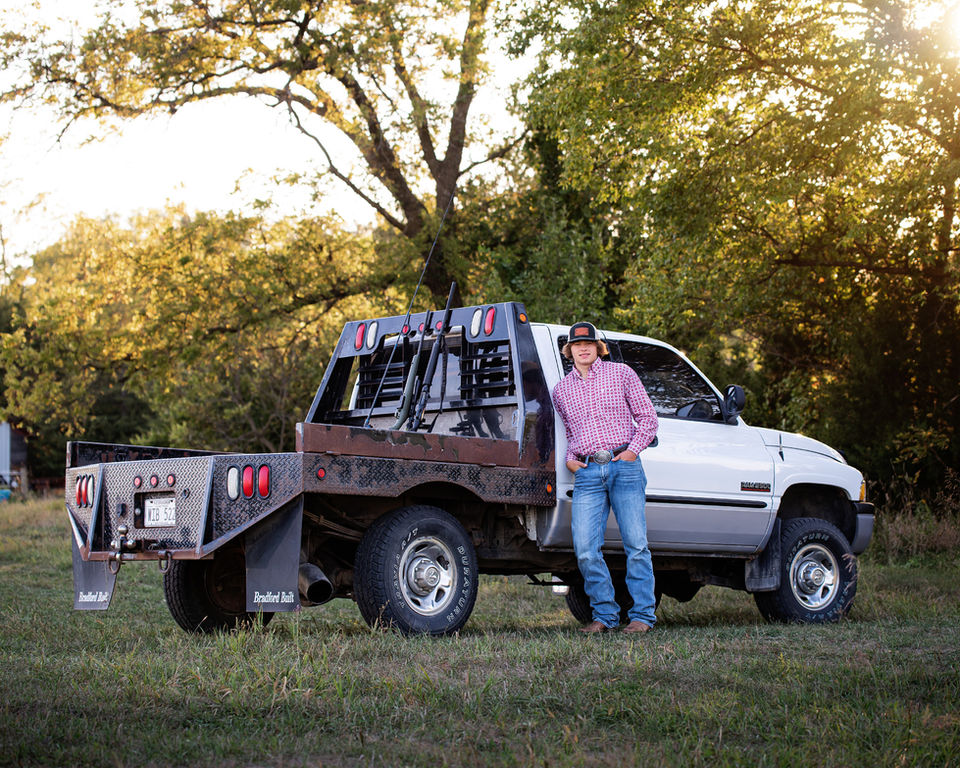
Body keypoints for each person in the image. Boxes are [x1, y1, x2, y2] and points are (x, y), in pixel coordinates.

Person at [551, 321, 659, 634]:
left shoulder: (622, 373)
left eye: (588, 343)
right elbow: (571, 431)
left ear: (598, 347)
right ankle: (605, 616)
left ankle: (642, 617)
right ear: (569, 350)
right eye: (576, 344)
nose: (582, 348)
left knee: (636, 545)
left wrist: (632, 452)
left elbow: (648, 419)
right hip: (587, 473)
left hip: (624, 465)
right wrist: (571, 460)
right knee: (585, 548)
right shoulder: (562, 391)